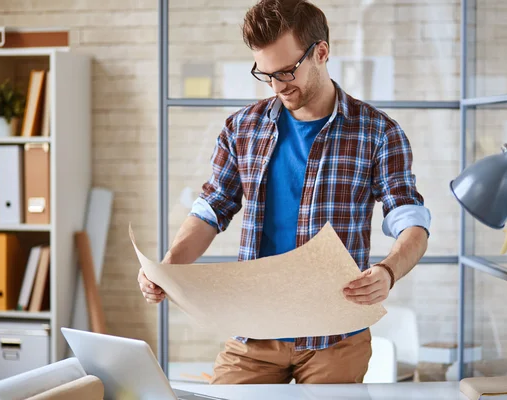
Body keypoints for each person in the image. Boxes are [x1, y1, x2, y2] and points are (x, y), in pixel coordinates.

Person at [138, 0, 431, 384]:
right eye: (266, 74)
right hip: (254, 331)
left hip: (335, 336)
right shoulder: (242, 128)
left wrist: (389, 272)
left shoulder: (378, 132)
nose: (278, 86)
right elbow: (212, 208)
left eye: (287, 71)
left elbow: (410, 221)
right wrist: (170, 265)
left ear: (321, 53)